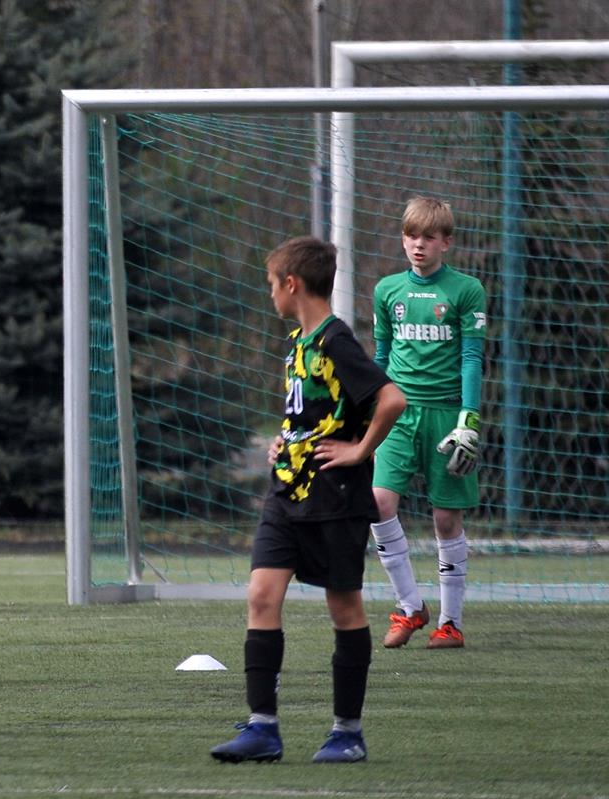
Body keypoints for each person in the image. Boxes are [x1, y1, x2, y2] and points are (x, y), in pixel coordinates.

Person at [210, 236, 406, 764]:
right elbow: (311, 412)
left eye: (271, 284)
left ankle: (347, 734)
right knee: (261, 595)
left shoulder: (336, 340)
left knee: (343, 607)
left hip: (335, 498)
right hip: (286, 493)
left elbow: (392, 398)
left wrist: (361, 449)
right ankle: (262, 729)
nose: (270, 293)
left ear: (291, 284)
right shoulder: (299, 341)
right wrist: (285, 440)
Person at [370, 196, 486, 650]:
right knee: (378, 503)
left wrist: (468, 420)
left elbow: (472, 357)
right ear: (403, 239)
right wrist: (369, 407)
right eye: (411, 235)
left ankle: (450, 623)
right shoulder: (387, 291)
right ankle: (410, 607)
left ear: (446, 243)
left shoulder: (466, 290)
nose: (419, 244)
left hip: (446, 416)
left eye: (429, 237)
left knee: (445, 519)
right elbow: (382, 356)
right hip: (398, 413)